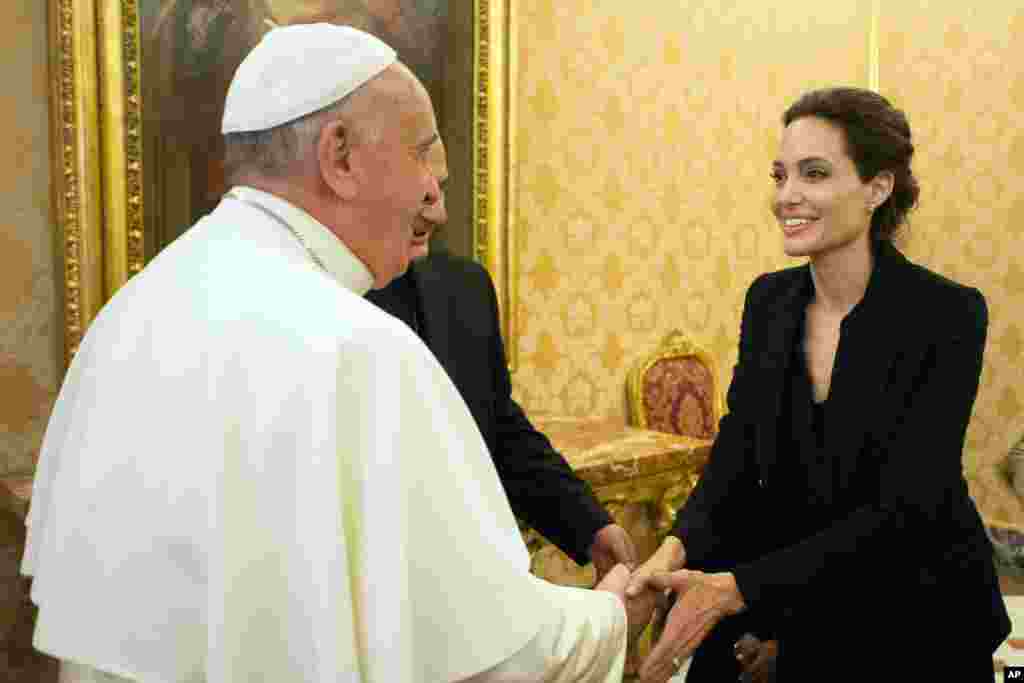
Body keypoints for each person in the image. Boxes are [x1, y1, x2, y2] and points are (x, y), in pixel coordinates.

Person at [23, 24, 656, 683]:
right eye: (421, 156)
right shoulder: (357, 349)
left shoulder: (129, 314)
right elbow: (498, 658)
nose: (436, 196)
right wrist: (611, 616)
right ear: (341, 157)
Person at [627, 87, 1011, 682]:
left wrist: (736, 589)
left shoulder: (949, 315)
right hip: (788, 583)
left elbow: (907, 505)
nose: (787, 196)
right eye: (780, 175)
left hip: (914, 607)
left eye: (814, 173)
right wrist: (670, 553)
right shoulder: (768, 302)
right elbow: (736, 457)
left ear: (877, 189)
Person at [364, 141, 635, 581]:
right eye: (421, 191)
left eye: (440, 189)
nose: (437, 213)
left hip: (474, 586)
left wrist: (590, 525)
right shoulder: (316, 301)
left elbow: (500, 428)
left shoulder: (465, 287)